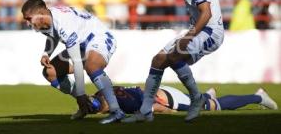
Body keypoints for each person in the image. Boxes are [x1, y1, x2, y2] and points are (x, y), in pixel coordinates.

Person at [123, 0, 224, 123]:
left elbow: (206, 13)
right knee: (159, 59)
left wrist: (189, 36)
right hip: (200, 29)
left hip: (210, 31)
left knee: (175, 56)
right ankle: (145, 111)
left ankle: (197, 98)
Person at [21, 0, 125, 124]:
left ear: (41, 15)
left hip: (98, 38)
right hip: (80, 44)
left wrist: (80, 95)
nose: (27, 23)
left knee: (91, 66)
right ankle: (89, 104)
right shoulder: (46, 21)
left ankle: (116, 111)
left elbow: (76, 62)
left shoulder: (64, 23)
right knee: (50, 72)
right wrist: (46, 53)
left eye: (29, 18)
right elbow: (53, 36)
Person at [77, 85, 278, 116]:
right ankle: (207, 95)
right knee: (205, 101)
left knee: (213, 108)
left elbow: (153, 107)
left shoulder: (122, 105)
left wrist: (170, 112)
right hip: (163, 90)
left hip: (168, 100)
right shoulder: (104, 91)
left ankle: (259, 96)